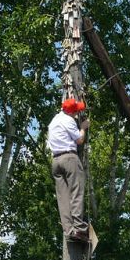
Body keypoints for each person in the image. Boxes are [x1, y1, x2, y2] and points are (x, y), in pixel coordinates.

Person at [47, 98, 90, 241]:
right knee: (76, 192)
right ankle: (79, 229)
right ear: (72, 112)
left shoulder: (54, 121)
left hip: (56, 161)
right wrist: (83, 127)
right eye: (77, 111)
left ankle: (69, 231)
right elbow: (79, 140)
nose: (77, 113)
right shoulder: (69, 120)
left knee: (63, 197)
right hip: (69, 158)